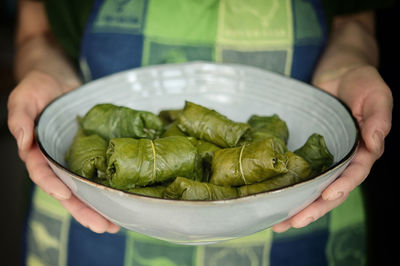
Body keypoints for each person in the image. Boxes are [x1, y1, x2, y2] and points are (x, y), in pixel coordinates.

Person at [8, 0, 393, 265]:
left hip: (301, 219)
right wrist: (41, 65)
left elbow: (355, 23)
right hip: (91, 225)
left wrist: (349, 62)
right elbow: (36, 33)